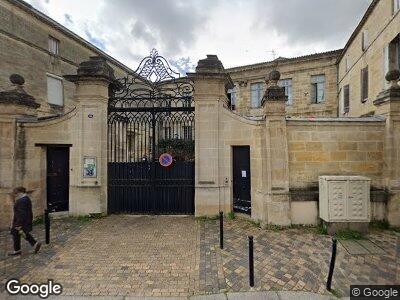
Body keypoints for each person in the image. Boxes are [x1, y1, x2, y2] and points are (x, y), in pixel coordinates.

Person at [8, 187, 41, 256]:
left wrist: (18, 224)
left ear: (20, 192)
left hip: (20, 221)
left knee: (20, 233)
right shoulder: (26, 199)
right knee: (18, 234)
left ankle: (34, 243)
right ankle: (18, 250)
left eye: (16, 193)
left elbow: (21, 213)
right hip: (23, 221)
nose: (15, 194)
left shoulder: (21, 201)